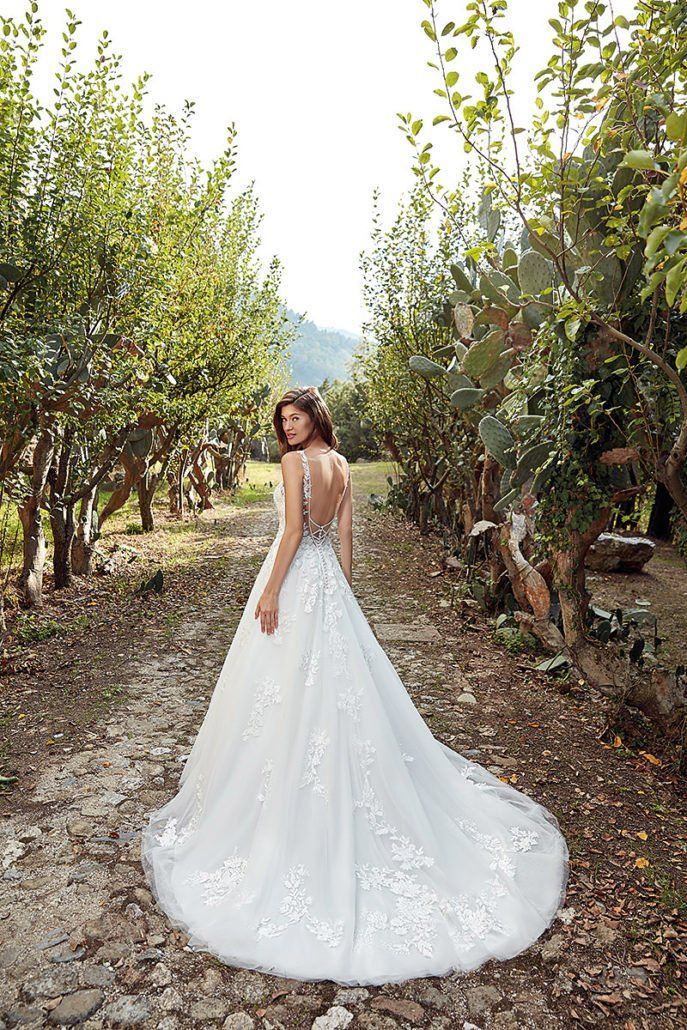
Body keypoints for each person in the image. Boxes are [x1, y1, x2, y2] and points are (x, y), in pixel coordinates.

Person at [140, 385, 569, 986]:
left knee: (286, 691)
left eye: (296, 418)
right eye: (283, 421)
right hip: (326, 587)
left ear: (315, 418)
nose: (288, 429)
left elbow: (293, 531)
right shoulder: (341, 465)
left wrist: (268, 592)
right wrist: (342, 595)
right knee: (332, 694)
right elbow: (343, 539)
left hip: (292, 579)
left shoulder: (296, 464)